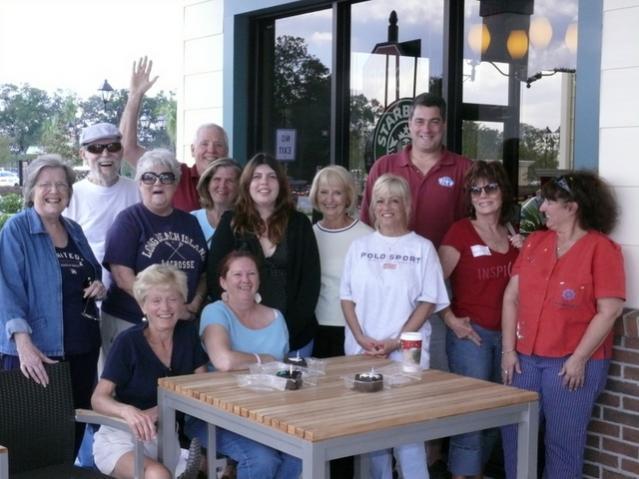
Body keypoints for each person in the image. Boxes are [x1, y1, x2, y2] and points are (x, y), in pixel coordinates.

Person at [500, 172, 625, 479]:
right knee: (515, 437)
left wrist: (579, 358)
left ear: (573, 207)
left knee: (563, 444)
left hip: (571, 363)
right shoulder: (536, 243)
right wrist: (507, 350)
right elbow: (511, 298)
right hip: (523, 360)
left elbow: (609, 311)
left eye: (549, 202)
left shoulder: (602, 249)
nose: (541, 208)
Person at [340, 174, 449, 479]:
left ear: (407, 206)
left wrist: (394, 342)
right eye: (380, 200)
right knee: (371, 431)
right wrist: (361, 338)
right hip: (364, 350)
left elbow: (428, 301)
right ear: (372, 206)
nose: (386, 207)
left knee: (408, 429)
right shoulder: (359, 246)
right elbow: (346, 297)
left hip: (407, 354)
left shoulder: (422, 248)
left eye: (394, 200)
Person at [0, 154, 106, 454]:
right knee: (31, 443)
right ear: (32, 190)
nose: (54, 191)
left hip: (82, 349)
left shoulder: (73, 229)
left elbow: (91, 271)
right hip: (39, 354)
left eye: (61, 184)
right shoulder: (16, 229)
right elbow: (6, 290)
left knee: (71, 435)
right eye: (45, 184)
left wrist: (98, 285)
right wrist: (23, 344)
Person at [185, 250, 302, 479]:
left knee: (298, 452)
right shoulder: (215, 311)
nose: (245, 280)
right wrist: (263, 359)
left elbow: (283, 372)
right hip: (215, 413)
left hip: (268, 413)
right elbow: (223, 360)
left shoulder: (277, 318)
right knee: (262, 459)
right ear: (223, 281)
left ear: (259, 279)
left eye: (251, 273)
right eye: (237, 274)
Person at [438, 161, 521, 479]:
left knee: (496, 413)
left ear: (503, 191)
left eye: (491, 187)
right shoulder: (460, 232)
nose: (484, 195)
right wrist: (450, 319)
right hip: (471, 337)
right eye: (476, 189)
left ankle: (476, 472)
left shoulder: (513, 233)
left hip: (508, 339)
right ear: (469, 196)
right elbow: (432, 285)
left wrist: (527, 251)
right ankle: (461, 474)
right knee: (471, 413)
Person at [92, 264, 207, 479]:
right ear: (143, 306)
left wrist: (162, 409)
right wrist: (127, 411)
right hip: (123, 434)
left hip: (165, 437)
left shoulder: (187, 335)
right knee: (158, 474)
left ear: (182, 302)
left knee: (215, 468)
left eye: (172, 299)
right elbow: (98, 398)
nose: (165, 307)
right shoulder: (129, 342)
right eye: (156, 300)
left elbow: (202, 385)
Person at [207, 153, 320, 358]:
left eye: (271, 176)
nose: (264, 182)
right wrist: (238, 326)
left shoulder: (299, 223)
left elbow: (310, 283)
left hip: (296, 337)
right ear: (247, 184)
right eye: (257, 177)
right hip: (241, 338)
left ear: (281, 184)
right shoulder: (231, 222)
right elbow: (216, 277)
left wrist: (285, 331)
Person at [101, 149, 208, 355]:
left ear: (176, 184)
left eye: (166, 177)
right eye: (148, 177)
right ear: (139, 184)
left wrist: (192, 307)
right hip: (131, 322)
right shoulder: (128, 220)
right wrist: (164, 308)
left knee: (173, 385)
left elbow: (203, 273)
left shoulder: (190, 222)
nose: (157, 183)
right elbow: (123, 278)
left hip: (180, 323)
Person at [119, 56, 229, 212]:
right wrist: (135, 96)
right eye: (204, 144)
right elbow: (128, 149)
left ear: (226, 151)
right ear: (192, 150)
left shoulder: (235, 182)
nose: (211, 150)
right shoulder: (174, 174)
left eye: (218, 145)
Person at [63, 122, 140, 286]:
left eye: (113, 146)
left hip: (130, 295)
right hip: (86, 294)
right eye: (95, 148)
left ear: (121, 151)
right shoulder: (70, 196)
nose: (105, 153)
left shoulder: (138, 190)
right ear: (83, 154)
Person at [310, 165, 373, 359]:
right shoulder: (310, 234)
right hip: (314, 328)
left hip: (355, 329)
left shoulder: (367, 237)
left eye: (337, 193)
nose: (329, 200)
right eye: (324, 192)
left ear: (348, 196)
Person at [191, 158, 242, 247]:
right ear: (207, 184)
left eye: (229, 181)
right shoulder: (191, 219)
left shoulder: (247, 222)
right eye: (217, 179)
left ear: (240, 187)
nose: (222, 185)